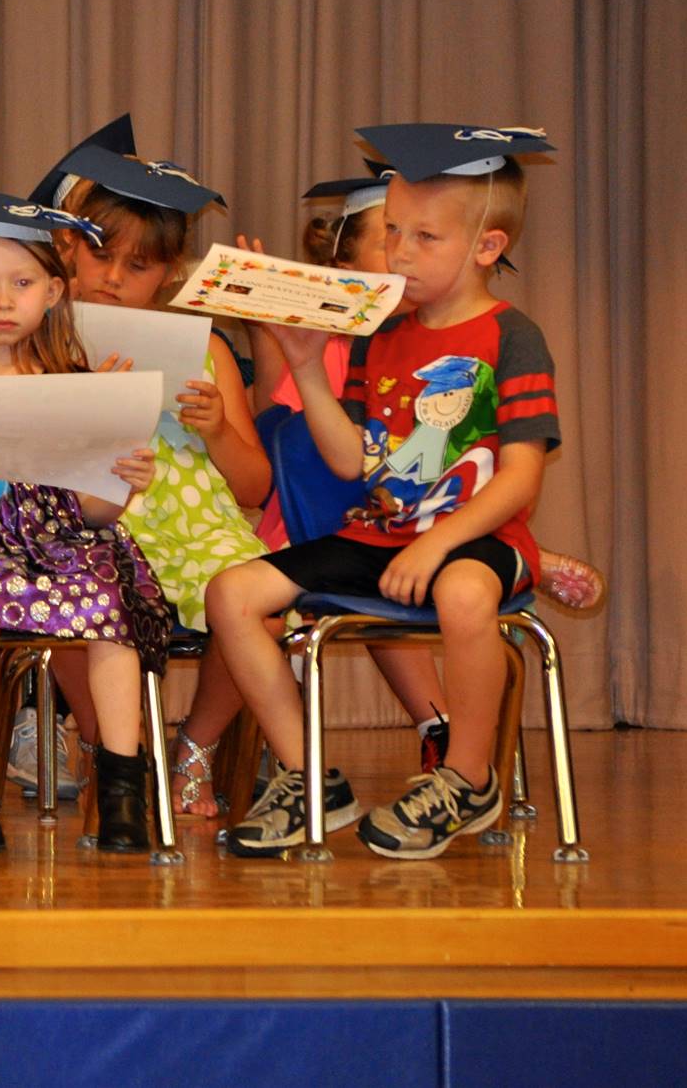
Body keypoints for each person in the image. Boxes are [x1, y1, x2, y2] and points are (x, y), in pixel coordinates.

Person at [211, 123, 562, 860]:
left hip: (479, 538)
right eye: (393, 231)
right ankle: (309, 776)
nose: (399, 253)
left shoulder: (511, 336)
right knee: (231, 594)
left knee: (466, 595)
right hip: (383, 532)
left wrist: (440, 540)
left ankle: (468, 777)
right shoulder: (381, 336)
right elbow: (354, 464)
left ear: (486, 248)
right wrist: (308, 370)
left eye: (423, 238)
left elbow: (522, 475)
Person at [0, 184, 171, 855]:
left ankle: (123, 790)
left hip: (61, 537)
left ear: (52, 291)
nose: (6, 299)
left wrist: (120, 483)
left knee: (106, 592)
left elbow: (94, 513)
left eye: (23, 282)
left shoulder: (71, 380)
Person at [36, 136, 271, 817]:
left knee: (253, 590)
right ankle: (107, 745)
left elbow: (254, 487)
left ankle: (194, 747)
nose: (113, 276)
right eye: (100, 253)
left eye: (137, 265)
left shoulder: (207, 350)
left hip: (195, 526)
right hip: (98, 515)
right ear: (68, 249)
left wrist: (218, 427)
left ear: (167, 274)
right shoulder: (41, 340)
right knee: (68, 585)